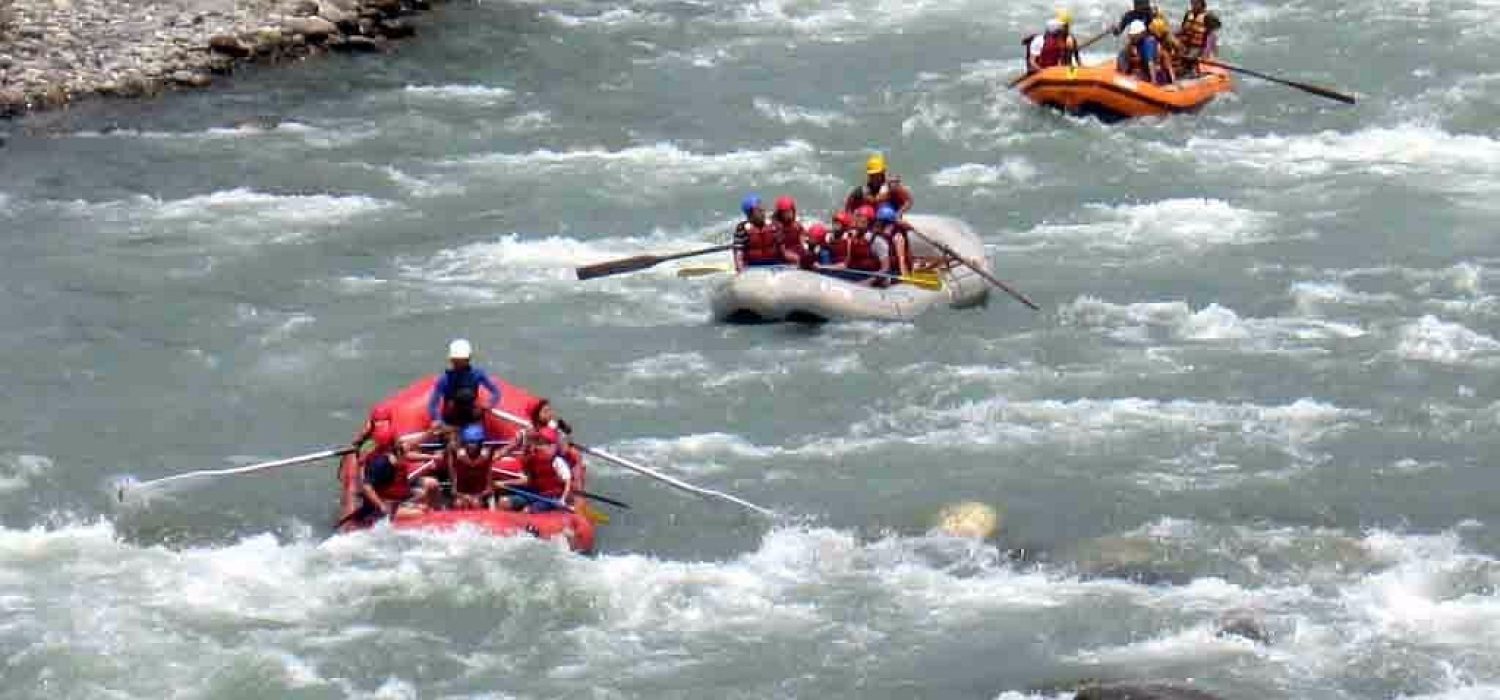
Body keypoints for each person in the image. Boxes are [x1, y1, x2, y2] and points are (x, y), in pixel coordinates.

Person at [427, 338, 503, 437]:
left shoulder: (477, 374)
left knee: (474, 440)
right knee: (452, 445)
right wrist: (439, 421)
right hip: (451, 421)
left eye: (460, 360)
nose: (457, 363)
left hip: (471, 419)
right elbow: (432, 405)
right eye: (455, 360)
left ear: (468, 359)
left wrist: (488, 405)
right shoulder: (444, 380)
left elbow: (496, 392)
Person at [496, 426, 575, 513]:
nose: (538, 447)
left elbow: (568, 481)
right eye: (538, 443)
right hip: (535, 493)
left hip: (552, 497)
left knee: (527, 511)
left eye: (542, 443)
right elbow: (528, 481)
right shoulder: (532, 460)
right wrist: (505, 483)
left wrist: (563, 499)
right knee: (504, 502)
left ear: (552, 446)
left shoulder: (557, 461)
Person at [843, 154, 912, 216]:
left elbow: (908, 201)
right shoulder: (862, 190)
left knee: (885, 211)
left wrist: (898, 214)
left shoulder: (892, 186)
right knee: (864, 209)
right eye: (872, 175)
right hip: (872, 221)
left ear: (882, 173)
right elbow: (848, 207)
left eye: (877, 174)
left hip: (890, 219)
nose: (874, 177)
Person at [447, 423, 496, 509]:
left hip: (479, 496)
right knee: (459, 504)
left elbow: (489, 489)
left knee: (476, 504)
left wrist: (477, 497)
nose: (472, 445)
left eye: (475, 442)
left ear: (480, 443)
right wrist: (465, 497)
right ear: (464, 443)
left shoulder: (486, 457)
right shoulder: (457, 456)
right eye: (469, 442)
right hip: (462, 494)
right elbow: (453, 490)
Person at [732, 193, 782, 271]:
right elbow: (738, 251)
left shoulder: (773, 225)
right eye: (759, 210)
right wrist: (740, 269)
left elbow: (781, 246)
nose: (763, 212)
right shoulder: (742, 228)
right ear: (750, 213)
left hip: (774, 264)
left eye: (762, 209)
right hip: (752, 267)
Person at [1117, 20, 1172, 84]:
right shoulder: (1136, 44)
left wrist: (1153, 82)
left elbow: (1150, 63)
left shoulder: (1148, 44)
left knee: (1135, 76)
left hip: (1155, 76)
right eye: (1132, 35)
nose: (1132, 38)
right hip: (1146, 72)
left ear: (1141, 34)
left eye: (1134, 35)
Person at [1175, 0, 1221, 74]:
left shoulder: (1208, 16)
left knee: (1189, 57)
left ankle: (1190, 71)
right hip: (1185, 43)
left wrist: (1209, 51)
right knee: (1173, 51)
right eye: (1192, 3)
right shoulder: (1188, 14)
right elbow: (1182, 29)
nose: (1193, 5)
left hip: (1198, 47)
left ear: (1201, 3)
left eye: (1195, 3)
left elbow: (1214, 33)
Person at [870, 205, 913, 279]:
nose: (878, 224)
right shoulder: (876, 233)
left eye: (881, 222)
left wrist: (904, 275)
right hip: (881, 266)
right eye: (878, 221)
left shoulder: (898, 237)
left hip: (894, 270)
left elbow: (901, 258)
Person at [769, 196, 810, 268]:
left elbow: (803, 238)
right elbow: (783, 252)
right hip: (783, 257)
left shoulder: (797, 225)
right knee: (800, 259)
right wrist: (797, 259)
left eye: (789, 211)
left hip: (797, 252)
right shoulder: (776, 228)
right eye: (785, 212)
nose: (788, 214)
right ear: (780, 213)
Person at [1147, 16, 1182, 82]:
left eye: (1151, 33)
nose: (1149, 35)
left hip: (1164, 76)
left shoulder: (1164, 51)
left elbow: (1168, 67)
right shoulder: (1158, 45)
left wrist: (1173, 83)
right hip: (1165, 71)